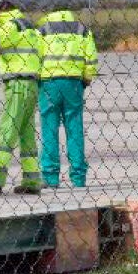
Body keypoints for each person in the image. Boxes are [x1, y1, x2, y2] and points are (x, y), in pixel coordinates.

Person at [0, 1, 43, 195]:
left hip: (18, 84)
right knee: (26, 133)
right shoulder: (29, 26)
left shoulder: (11, 25)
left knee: (7, 129)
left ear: (0, 12)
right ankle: (32, 180)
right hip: (32, 83)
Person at [36, 9, 99, 188]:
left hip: (48, 83)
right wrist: (86, 78)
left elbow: (35, 57)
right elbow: (91, 59)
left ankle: (50, 177)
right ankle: (78, 177)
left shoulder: (43, 30)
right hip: (74, 82)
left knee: (49, 129)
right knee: (75, 128)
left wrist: (37, 78)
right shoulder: (82, 30)